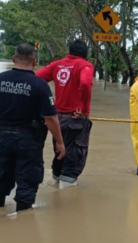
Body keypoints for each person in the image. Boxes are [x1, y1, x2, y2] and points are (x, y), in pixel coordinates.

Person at [0, 44, 66, 212]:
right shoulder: (40, 85)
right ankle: (24, 223)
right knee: (27, 180)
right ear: (34, 61)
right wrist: (60, 142)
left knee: (2, 176)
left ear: (14, 59)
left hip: (3, 137)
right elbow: (50, 117)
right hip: (29, 140)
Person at [35, 40, 95, 188]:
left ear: (69, 51)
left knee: (60, 151)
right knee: (74, 156)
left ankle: (56, 182)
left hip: (56, 119)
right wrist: (84, 108)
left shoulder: (57, 65)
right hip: (75, 118)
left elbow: (36, 78)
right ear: (85, 54)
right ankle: (66, 197)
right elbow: (86, 84)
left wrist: (49, 103)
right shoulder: (85, 65)